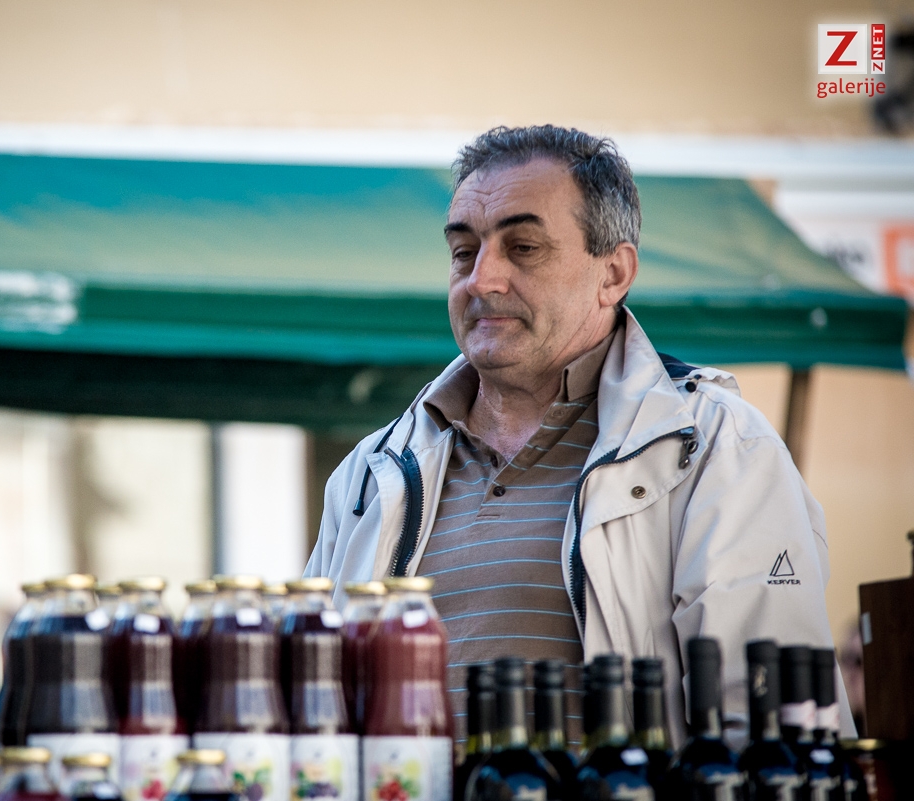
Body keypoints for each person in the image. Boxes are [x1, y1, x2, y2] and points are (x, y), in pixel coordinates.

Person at [304, 125, 853, 748]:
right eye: (463, 252)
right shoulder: (369, 473)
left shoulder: (715, 447)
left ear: (613, 273)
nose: (482, 279)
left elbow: (772, 735)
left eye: (524, 248)